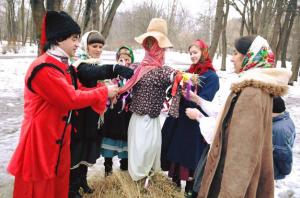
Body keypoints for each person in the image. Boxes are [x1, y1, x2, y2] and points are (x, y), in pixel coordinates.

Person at [6, 11, 118, 198]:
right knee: (40, 188)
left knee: (57, 186)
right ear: (59, 39)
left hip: (58, 139)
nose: (77, 44)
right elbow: (70, 98)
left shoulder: (62, 65)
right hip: (40, 140)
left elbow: (79, 91)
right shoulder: (43, 68)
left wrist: (105, 92)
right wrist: (103, 92)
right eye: (74, 39)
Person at [197, 35, 292, 198]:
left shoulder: (251, 94)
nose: (232, 59)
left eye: (235, 53)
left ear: (249, 57)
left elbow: (241, 156)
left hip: (228, 186)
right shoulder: (258, 89)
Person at [69, 31, 134, 197]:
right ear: (86, 46)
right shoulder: (80, 64)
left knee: (87, 148)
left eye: (100, 46)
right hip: (80, 116)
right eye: (94, 46)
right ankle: (72, 187)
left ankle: (82, 181)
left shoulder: (94, 63)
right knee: (77, 150)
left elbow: (98, 73)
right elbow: (94, 73)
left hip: (92, 116)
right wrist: (115, 69)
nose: (98, 49)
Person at [118, 18, 178, 183]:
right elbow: (121, 76)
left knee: (148, 151)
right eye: (148, 42)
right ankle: (137, 182)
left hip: (151, 120)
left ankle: (146, 181)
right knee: (137, 151)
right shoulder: (137, 68)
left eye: (155, 42)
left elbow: (173, 76)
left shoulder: (162, 71)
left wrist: (184, 77)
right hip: (137, 118)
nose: (151, 46)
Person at [161, 39, 219, 196]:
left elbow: (206, 98)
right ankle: (173, 187)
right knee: (176, 152)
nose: (193, 56)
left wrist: (193, 103)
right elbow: (180, 90)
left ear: (203, 53)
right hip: (181, 118)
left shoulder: (211, 76)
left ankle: (190, 189)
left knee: (190, 155)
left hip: (195, 120)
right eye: (191, 53)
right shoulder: (189, 72)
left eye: (195, 52)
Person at [100, 46, 135, 177]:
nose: (124, 62)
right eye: (121, 59)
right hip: (113, 114)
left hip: (127, 115)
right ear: (117, 60)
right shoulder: (112, 76)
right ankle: (107, 168)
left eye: (127, 59)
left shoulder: (134, 76)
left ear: (131, 60)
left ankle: (124, 168)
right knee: (110, 139)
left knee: (126, 139)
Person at [272, 96, 296, 180]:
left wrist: (285, 171)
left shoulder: (278, 129)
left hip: (275, 169)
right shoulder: (286, 119)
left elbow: (282, 153)